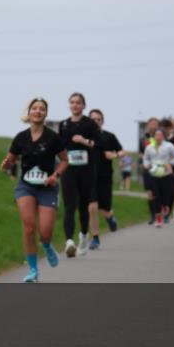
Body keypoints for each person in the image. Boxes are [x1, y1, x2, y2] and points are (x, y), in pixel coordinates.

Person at [0, 97, 67, 282]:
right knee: (29, 227)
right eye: (35, 108)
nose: (38, 111)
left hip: (47, 188)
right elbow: (10, 161)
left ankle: (47, 246)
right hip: (26, 187)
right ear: (29, 113)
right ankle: (33, 270)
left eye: (42, 109)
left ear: (45, 114)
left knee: (45, 233)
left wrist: (56, 176)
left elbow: (65, 160)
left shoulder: (52, 137)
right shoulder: (20, 138)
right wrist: (6, 165)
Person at [57, 93, 100, 257]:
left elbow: (99, 144)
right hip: (69, 169)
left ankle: (83, 236)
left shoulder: (90, 124)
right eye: (72, 102)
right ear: (69, 105)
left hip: (86, 170)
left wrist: (83, 141)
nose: (75, 105)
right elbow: (59, 146)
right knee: (69, 206)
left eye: (78, 103)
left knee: (83, 206)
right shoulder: (63, 124)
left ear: (83, 106)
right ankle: (69, 241)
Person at [87, 109, 123, 246]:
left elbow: (122, 151)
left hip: (105, 177)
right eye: (93, 119)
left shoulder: (109, 136)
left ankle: (110, 218)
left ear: (102, 121)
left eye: (98, 119)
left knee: (105, 209)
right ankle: (95, 238)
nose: (96, 121)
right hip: (89, 177)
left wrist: (115, 155)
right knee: (92, 208)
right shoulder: (85, 138)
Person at [142, 129, 174, 227]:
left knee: (167, 196)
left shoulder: (169, 146)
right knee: (155, 196)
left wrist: (170, 164)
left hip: (166, 174)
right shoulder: (149, 147)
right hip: (154, 174)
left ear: (163, 136)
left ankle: (165, 206)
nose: (158, 137)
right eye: (156, 135)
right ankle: (158, 219)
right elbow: (146, 159)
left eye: (160, 135)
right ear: (154, 136)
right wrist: (147, 165)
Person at [139, 117, 160, 224]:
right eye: (151, 124)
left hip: (159, 168)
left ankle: (159, 213)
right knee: (149, 192)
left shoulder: (161, 138)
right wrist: (143, 157)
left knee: (157, 192)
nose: (153, 126)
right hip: (147, 169)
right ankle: (152, 215)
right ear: (148, 125)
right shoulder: (143, 139)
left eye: (155, 124)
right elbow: (140, 153)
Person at [162, 117, 174, 222]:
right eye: (171, 125)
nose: (172, 127)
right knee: (164, 190)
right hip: (163, 166)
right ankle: (165, 211)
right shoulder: (161, 137)